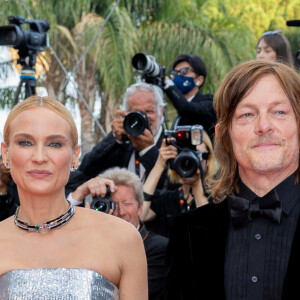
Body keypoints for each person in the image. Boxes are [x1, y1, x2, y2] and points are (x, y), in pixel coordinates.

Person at [165, 60, 300, 299]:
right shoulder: (187, 233)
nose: (264, 126)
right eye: (247, 114)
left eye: (279, 112)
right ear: (224, 135)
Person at [0, 96, 147, 299]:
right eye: (25, 143)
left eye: (55, 144)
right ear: (5, 153)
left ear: (75, 155)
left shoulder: (122, 238)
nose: (40, 157)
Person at [74, 167, 168, 300]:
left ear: (140, 208)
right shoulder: (89, 243)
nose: (121, 211)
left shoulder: (160, 247)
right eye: (113, 204)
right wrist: (78, 195)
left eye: (127, 203)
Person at [66, 82, 167, 201]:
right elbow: (84, 172)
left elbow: (170, 185)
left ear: (160, 111)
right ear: (125, 114)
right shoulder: (121, 145)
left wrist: (148, 150)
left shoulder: (172, 143)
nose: (143, 118)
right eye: (137, 113)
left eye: (149, 111)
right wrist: (114, 137)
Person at [140, 130, 216, 237]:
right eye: (183, 154)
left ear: (208, 160)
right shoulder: (168, 199)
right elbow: (141, 215)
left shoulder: (219, 197)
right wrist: (160, 164)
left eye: (197, 154)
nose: (188, 160)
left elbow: (209, 231)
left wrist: (197, 185)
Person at [163, 53, 217, 142]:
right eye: (175, 73)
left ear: (199, 80)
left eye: (184, 72)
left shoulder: (209, 103)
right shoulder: (178, 117)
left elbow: (186, 108)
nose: (178, 76)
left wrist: (168, 85)